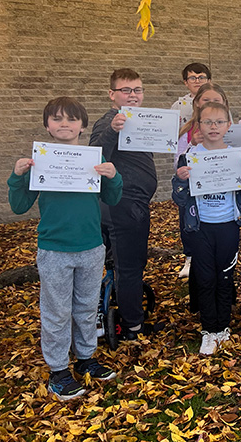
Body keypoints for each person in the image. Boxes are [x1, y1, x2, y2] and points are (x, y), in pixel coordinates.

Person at [8, 97, 123, 401]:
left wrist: (113, 177)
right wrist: (17, 177)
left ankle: (86, 358)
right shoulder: (41, 161)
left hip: (91, 247)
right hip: (55, 250)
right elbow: (19, 207)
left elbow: (111, 199)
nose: (64, 125)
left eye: (71, 119)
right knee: (57, 312)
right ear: (47, 125)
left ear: (82, 126)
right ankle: (58, 371)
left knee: (86, 308)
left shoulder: (92, 160)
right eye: (57, 119)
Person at [173, 101, 241, 355]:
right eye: (208, 122)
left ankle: (224, 327)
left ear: (228, 126)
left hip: (228, 226)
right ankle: (209, 330)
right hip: (200, 228)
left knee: (225, 276)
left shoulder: (237, 155)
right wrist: (180, 180)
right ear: (198, 125)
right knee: (206, 278)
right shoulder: (188, 157)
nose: (213, 127)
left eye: (219, 122)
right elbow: (178, 198)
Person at [89, 68, 161, 340]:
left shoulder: (139, 120)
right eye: (126, 90)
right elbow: (95, 153)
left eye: (137, 90)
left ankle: (120, 308)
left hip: (133, 205)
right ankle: (133, 325)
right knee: (129, 267)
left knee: (123, 264)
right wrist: (111, 129)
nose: (133, 95)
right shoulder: (109, 120)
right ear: (112, 94)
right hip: (122, 205)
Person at [171, 63, 212, 278]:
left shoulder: (223, 115)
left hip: (214, 181)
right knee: (188, 218)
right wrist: (191, 145)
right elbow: (175, 152)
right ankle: (189, 257)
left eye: (202, 76)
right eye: (192, 77)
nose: (197, 81)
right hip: (191, 181)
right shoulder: (183, 118)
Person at [171, 62, 212, 128]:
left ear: (209, 81)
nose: (197, 81)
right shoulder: (178, 106)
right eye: (192, 78)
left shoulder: (218, 101)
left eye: (201, 78)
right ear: (186, 82)